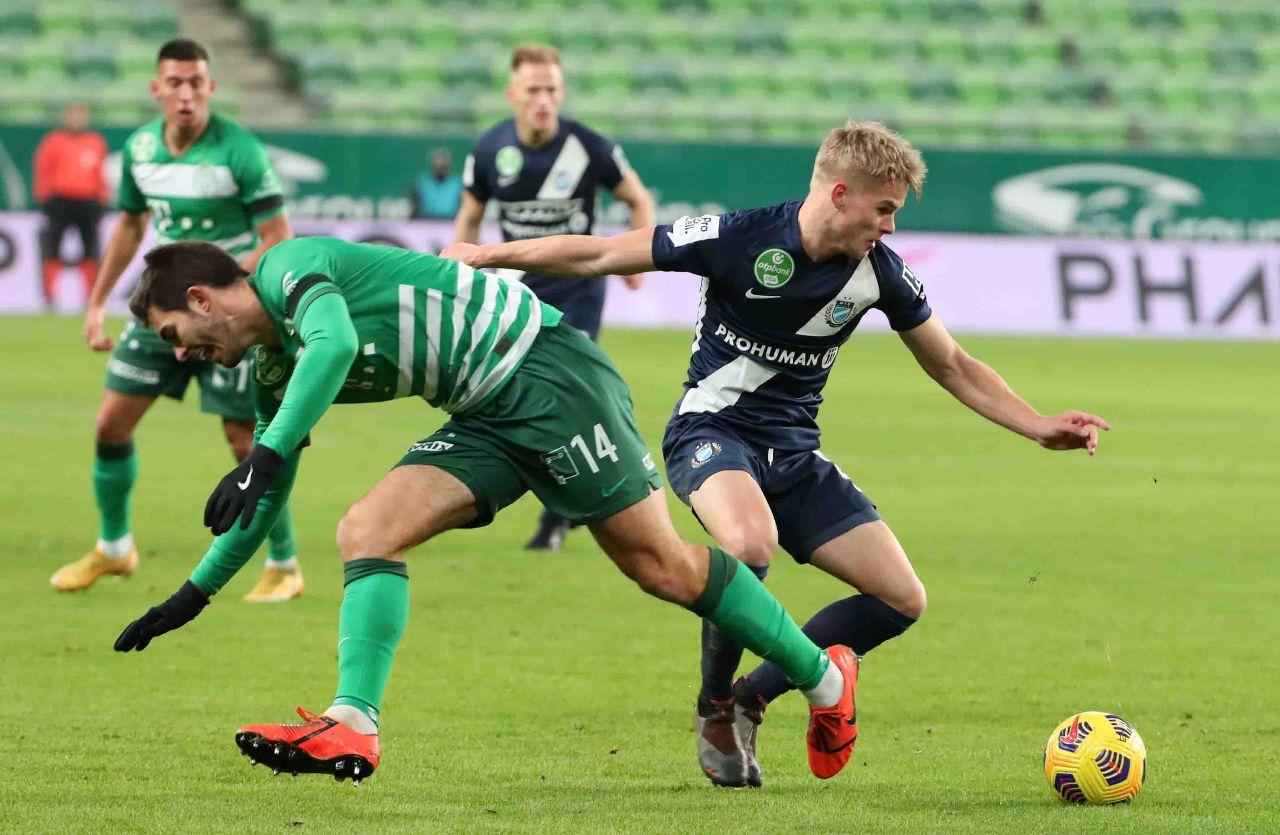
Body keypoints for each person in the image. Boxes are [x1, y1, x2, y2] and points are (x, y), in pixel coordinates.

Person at [441, 119, 1111, 788]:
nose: (891, 226)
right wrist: (488, 254)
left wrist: (1037, 425)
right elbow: (601, 254)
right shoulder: (739, 237)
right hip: (710, 432)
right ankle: (713, 706)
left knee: (901, 597)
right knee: (749, 544)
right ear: (841, 194)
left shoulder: (880, 272)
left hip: (792, 455)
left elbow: (953, 364)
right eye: (884, 209)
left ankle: (750, 697)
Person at [112, 236, 862, 787]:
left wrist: (266, 453)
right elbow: (265, 491)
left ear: (202, 299)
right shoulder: (273, 370)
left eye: (173, 335)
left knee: (662, 567)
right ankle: (354, 722)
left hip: (546, 373)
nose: (179, 354)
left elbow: (334, 344)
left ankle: (825, 681)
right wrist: (193, 594)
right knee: (367, 530)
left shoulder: (287, 267)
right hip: (484, 412)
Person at [50, 38, 303, 603]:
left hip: (227, 319)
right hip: (163, 310)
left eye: (196, 83)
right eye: (175, 83)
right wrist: (97, 301)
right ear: (157, 89)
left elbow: (277, 238)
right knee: (110, 424)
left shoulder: (240, 151)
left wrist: (229, 293)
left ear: (211, 87)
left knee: (246, 440)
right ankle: (114, 547)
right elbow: (131, 225)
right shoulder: (141, 149)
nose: (186, 93)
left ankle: (283, 564)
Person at [451, 44, 656, 552]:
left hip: (578, 287)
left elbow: (638, 198)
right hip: (516, 289)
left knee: (564, 391)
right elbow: (470, 216)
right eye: (533, 90)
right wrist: (455, 272)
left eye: (552, 90)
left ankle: (557, 516)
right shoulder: (489, 149)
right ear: (512, 94)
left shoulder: (589, 146)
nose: (543, 99)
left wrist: (635, 260)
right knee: (505, 389)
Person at [33, 102, 108, 310]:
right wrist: (44, 197)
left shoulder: (95, 142)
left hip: (87, 202)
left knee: (90, 249)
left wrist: (101, 198)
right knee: (52, 248)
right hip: (60, 201)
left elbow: (101, 173)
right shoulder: (54, 141)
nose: (77, 119)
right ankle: (49, 297)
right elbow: (43, 170)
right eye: (73, 115)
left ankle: (91, 297)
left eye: (80, 115)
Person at [408, 147, 463, 219]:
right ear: (433, 165)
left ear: (449, 166)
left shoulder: (458, 185)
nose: (441, 168)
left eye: (444, 166)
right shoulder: (422, 184)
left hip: (452, 223)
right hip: (425, 223)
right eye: (438, 166)